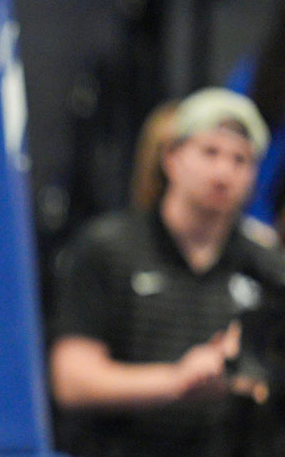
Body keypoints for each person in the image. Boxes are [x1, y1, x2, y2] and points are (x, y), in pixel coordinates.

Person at [49, 87, 285, 456]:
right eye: (210, 152)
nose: (223, 172)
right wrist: (177, 379)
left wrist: (256, 369)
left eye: (240, 160)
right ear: (172, 157)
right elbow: (71, 381)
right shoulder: (106, 248)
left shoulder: (267, 265)